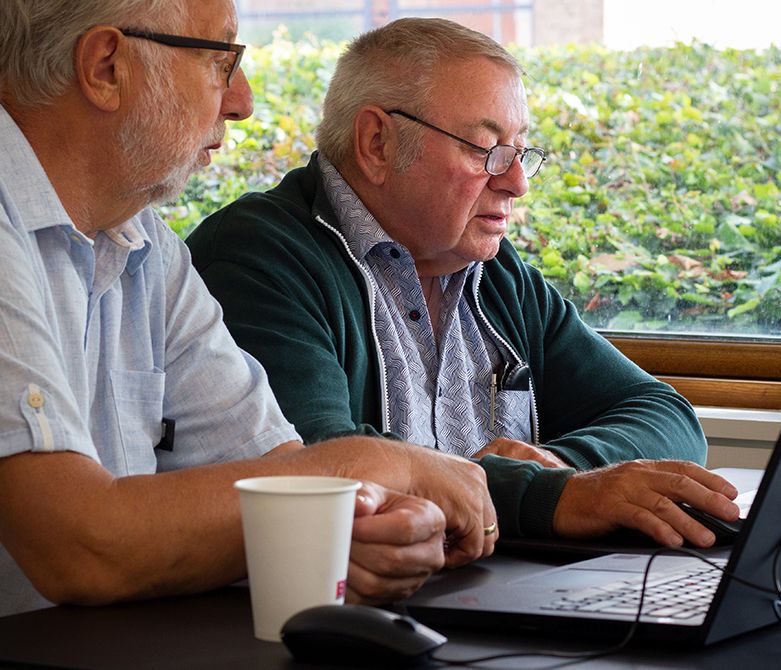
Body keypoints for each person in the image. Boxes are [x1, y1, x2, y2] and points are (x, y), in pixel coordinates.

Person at [0, 0, 500, 619]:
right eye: (222, 60)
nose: (242, 100)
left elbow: (274, 469)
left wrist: (372, 521)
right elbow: (80, 543)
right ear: (107, 67)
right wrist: (370, 467)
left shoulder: (145, 244)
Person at [187, 18, 741, 550]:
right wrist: (550, 498)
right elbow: (315, 465)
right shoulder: (259, 257)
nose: (517, 182)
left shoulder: (497, 274)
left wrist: (569, 469)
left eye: (521, 151)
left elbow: (664, 414)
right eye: (486, 150)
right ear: (377, 142)